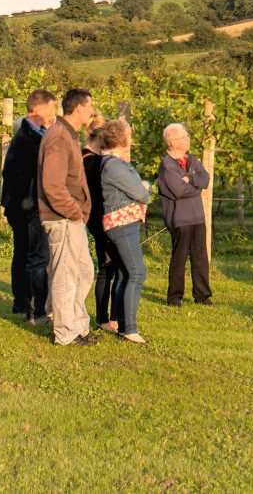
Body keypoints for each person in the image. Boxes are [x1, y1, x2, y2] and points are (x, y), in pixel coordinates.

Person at [38, 88, 98, 346]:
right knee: (66, 274)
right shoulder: (59, 137)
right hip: (62, 217)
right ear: (78, 108)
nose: (92, 111)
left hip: (70, 218)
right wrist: (74, 212)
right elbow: (52, 185)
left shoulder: (67, 134)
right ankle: (65, 332)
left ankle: (77, 324)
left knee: (82, 271)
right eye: (89, 106)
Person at [1, 90, 57, 322]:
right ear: (39, 109)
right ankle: (36, 308)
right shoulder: (30, 138)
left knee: (23, 252)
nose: (54, 114)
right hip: (29, 205)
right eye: (52, 108)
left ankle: (22, 302)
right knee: (36, 255)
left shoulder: (30, 134)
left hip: (19, 204)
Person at [100, 120, 151, 343]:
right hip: (122, 225)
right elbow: (142, 193)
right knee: (137, 272)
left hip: (124, 224)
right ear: (122, 138)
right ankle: (129, 328)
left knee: (124, 273)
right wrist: (144, 187)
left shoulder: (115, 163)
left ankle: (122, 324)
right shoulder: (114, 165)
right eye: (129, 133)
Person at [157, 123, 213, 307]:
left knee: (200, 257)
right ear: (173, 142)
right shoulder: (167, 166)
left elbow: (205, 179)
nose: (188, 139)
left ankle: (202, 295)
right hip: (179, 219)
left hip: (196, 216)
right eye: (184, 137)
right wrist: (195, 186)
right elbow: (178, 190)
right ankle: (174, 297)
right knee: (179, 258)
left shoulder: (192, 160)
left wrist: (190, 179)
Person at [82, 115, 121, 333]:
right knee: (108, 267)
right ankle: (106, 318)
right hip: (102, 219)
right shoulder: (93, 162)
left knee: (109, 267)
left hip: (96, 218)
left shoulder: (84, 157)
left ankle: (107, 316)